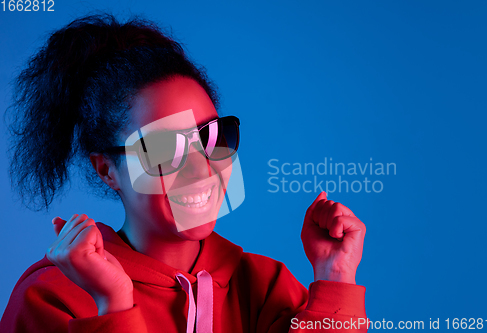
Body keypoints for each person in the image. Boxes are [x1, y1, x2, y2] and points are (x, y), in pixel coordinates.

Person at [0, 14, 368, 333]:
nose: (201, 168)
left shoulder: (264, 286)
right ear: (106, 170)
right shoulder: (51, 297)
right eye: (161, 149)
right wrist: (112, 305)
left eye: (212, 137)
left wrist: (335, 277)